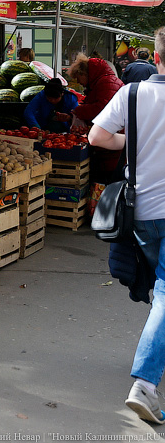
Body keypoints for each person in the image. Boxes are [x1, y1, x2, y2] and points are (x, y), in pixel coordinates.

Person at [88, 26, 165, 424]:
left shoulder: (132, 93)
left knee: (160, 287)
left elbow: (97, 136)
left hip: (143, 212)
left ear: (155, 57)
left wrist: (130, 140)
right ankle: (145, 383)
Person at [68, 53, 124, 184]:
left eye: (78, 78)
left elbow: (102, 109)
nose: (78, 82)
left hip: (112, 142)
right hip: (111, 140)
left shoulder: (106, 82)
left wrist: (79, 110)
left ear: (84, 74)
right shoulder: (103, 81)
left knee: (107, 180)